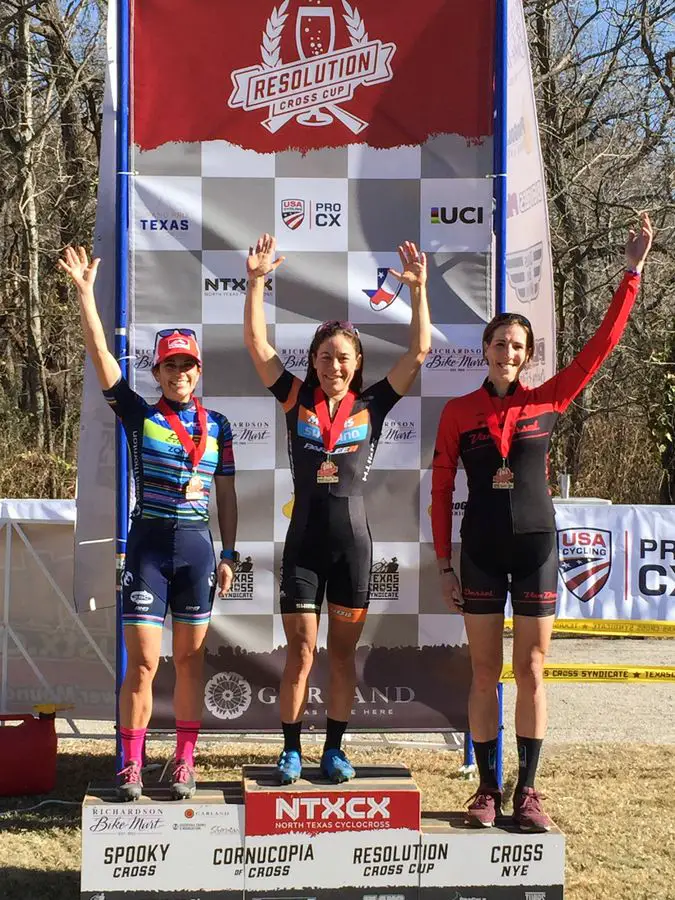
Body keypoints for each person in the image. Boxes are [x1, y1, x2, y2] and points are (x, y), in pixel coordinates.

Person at [431, 214, 653, 831]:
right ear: (485, 351)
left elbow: (602, 347)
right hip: (478, 549)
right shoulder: (458, 411)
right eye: (499, 343)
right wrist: (443, 562)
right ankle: (485, 790)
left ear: (528, 357)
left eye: (518, 346)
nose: (508, 353)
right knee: (481, 672)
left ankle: (527, 792)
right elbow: (442, 487)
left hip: (534, 546)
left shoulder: (548, 399)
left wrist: (630, 273)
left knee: (530, 669)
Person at [244, 234, 431, 784]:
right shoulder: (295, 396)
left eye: (343, 358)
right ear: (314, 361)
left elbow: (418, 352)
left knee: (343, 658)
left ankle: (335, 749)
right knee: (301, 653)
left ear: (357, 363)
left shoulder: (373, 403)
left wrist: (418, 293)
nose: (333, 366)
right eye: (324, 357)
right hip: (303, 543)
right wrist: (256, 283)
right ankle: (290, 751)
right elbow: (257, 346)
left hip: (353, 543)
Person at [59, 246, 239, 801]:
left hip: (197, 551)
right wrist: (87, 296)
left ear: (198, 370)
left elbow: (226, 494)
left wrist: (229, 553)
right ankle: (131, 765)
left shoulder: (220, 426)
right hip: (148, 550)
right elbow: (100, 360)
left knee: (189, 661)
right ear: (157, 371)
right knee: (141, 663)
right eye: (169, 365)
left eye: (187, 364)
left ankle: (183, 761)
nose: (179, 372)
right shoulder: (141, 415)